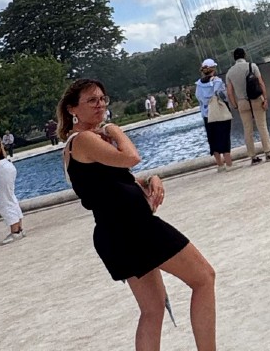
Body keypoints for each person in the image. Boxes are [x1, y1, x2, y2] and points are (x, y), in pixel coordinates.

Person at [58, 79, 217, 351]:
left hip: (117, 231)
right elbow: (131, 157)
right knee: (204, 278)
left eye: (103, 99)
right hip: (132, 229)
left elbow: (114, 184)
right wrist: (113, 128)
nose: (100, 105)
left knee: (152, 309)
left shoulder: (89, 141)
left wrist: (150, 180)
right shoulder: (84, 139)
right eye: (92, 100)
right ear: (73, 109)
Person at [225, 48, 270, 164]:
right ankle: (267, 152)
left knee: (247, 130)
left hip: (242, 101)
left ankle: (253, 157)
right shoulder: (252, 66)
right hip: (256, 99)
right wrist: (265, 99)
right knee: (262, 126)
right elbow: (261, 83)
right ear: (244, 55)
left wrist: (235, 105)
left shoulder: (230, 72)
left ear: (234, 58)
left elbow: (229, 91)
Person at [0, 119, 25, 243]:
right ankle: (18, 228)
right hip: (6, 166)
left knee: (4, 201)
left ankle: (14, 230)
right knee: (11, 197)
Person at [194, 60, 234, 172]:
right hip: (219, 112)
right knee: (224, 136)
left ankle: (219, 164)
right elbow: (223, 95)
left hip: (207, 115)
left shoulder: (198, 84)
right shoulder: (217, 81)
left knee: (212, 138)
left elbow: (198, 98)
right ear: (213, 69)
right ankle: (229, 163)